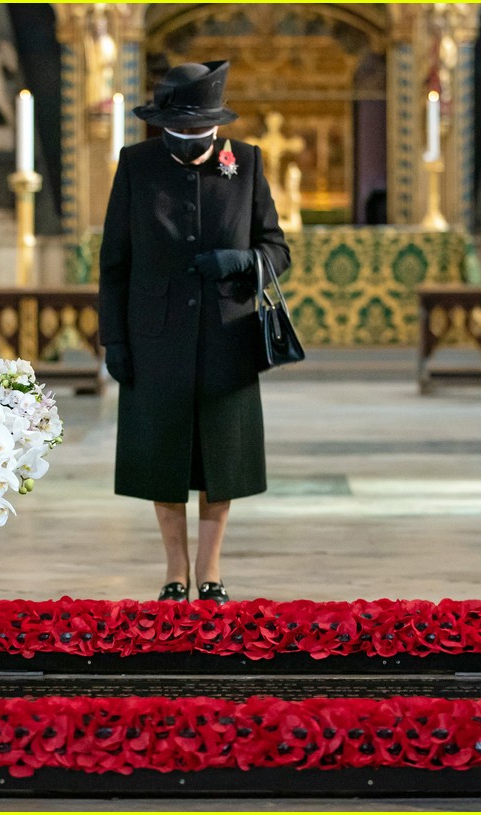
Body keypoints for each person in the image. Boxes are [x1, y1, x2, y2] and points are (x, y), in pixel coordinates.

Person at [98, 61, 289, 605]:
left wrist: (240, 260)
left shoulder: (246, 163)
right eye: (178, 136)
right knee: (162, 460)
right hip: (153, 338)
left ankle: (210, 572)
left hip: (226, 337)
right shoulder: (135, 165)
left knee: (219, 463)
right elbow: (115, 262)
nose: (189, 145)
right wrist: (114, 340)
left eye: (198, 136)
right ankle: (174, 572)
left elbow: (278, 249)